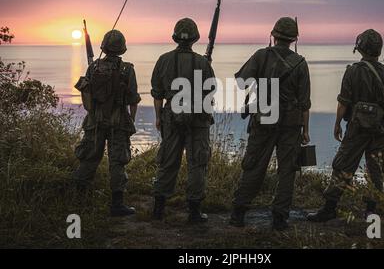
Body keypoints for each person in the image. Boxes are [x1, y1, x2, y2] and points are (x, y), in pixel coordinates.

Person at [307, 29, 384, 222]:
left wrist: (337, 123)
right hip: (381, 130)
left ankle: (330, 207)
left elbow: (343, 102)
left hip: (357, 128)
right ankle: (371, 211)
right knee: (376, 170)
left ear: (360, 48)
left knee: (343, 166)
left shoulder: (353, 71)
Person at [230, 17, 311, 231]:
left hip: (264, 119)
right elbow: (304, 103)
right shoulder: (301, 63)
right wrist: (306, 131)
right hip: (292, 124)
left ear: (273, 36)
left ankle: (239, 213)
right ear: (294, 39)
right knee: (287, 171)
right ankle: (279, 218)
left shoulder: (261, 55)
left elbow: (241, 83)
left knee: (254, 166)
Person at [150, 18, 215, 223]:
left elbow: (157, 93)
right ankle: (194, 212)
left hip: (171, 115)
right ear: (195, 38)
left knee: (168, 161)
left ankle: (158, 210)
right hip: (198, 118)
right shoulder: (203, 63)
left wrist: (159, 118)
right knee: (197, 163)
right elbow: (210, 91)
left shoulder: (163, 60)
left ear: (175, 37)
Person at [73, 29, 141, 217]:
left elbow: (88, 99)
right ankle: (117, 205)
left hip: (94, 121)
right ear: (122, 48)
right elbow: (133, 99)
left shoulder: (93, 67)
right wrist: (131, 121)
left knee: (89, 159)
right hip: (118, 122)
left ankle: (79, 201)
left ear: (104, 46)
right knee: (117, 162)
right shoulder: (128, 69)